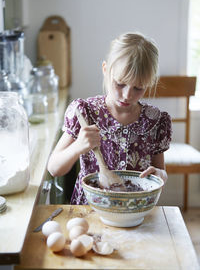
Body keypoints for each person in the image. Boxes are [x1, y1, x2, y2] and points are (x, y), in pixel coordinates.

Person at [47, 32, 172, 205]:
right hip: (90, 209)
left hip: (134, 210)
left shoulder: (155, 121)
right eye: (120, 84)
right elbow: (54, 168)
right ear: (105, 70)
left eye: (138, 88)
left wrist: (160, 176)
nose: (127, 95)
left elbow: (160, 172)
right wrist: (78, 146)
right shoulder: (85, 112)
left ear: (150, 82)